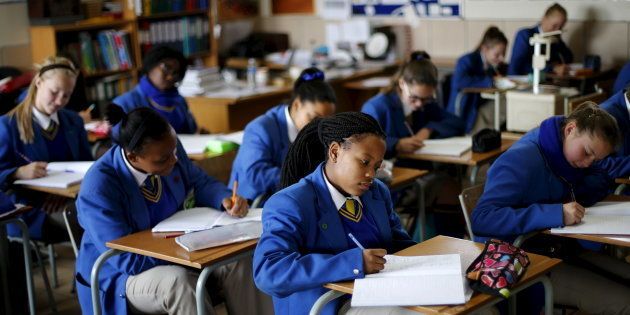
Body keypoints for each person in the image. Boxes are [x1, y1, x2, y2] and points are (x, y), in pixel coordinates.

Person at [75, 107, 272, 315]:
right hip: (122, 275)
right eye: (163, 159)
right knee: (179, 283)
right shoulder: (99, 187)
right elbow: (125, 260)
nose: (174, 161)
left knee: (239, 262)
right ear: (133, 157)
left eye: (175, 152)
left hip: (182, 250)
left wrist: (223, 199)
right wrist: (182, 251)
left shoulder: (169, 150)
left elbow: (199, 181)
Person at [472, 103, 630, 314]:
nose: (588, 163)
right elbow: (482, 218)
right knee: (625, 301)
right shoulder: (522, 159)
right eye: (587, 153)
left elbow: (596, 177)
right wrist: (555, 213)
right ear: (570, 129)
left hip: (559, 249)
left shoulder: (568, 155)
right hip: (523, 262)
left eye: (596, 159)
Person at [253, 112, 416, 314]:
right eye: (364, 162)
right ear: (335, 152)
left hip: (381, 293)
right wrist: (354, 263)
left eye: (377, 166)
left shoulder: (376, 192)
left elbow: (399, 244)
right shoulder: (291, 203)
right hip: (330, 305)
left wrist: (441, 262)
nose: (371, 175)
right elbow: (269, 273)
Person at [0, 56, 91, 241]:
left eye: (66, 95)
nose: (59, 101)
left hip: (70, 199)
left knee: (104, 213)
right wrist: (17, 173)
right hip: (32, 209)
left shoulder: (73, 121)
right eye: (54, 92)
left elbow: (89, 168)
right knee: (87, 221)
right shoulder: (8, 126)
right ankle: (89, 269)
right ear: (39, 83)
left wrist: (66, 195)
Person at [229, 67, 335, 203]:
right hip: (252, 204)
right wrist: (302, 178)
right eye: (314, 118)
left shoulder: (315, 131)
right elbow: (255, 174)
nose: (319, 127)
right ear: (297, 105)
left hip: (293, 198)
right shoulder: (260, 128)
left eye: (325, 122)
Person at [362, 51, 464, 158]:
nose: (419, 104)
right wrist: (397, 144)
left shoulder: (427, 104)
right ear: (402, 84)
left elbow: (459, 123)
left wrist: (429, 129)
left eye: (426, 98)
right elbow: (365, 143)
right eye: (414, 98)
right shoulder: (376, 107)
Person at [113, 46, 199, 134]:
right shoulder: (123, 104)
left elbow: (191, 132)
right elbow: (118, 142)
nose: (170, 77)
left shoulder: (180, 100)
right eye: (167, 68)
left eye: (175, 73)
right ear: (151, 64)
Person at [448, 26, 508, 133]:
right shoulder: (466, 60)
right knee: (505, 105)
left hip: (479, 107)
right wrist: (491, 81)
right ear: (484, 49)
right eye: (497, 54)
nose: (502, 58)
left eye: (503, 54)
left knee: (507, 101)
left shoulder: (491, 64)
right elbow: (459, 82)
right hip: (466, 110)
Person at [507, 3, 573, 76]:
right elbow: (518, 67)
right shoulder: (525, 35)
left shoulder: (555, 39)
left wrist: (559, 41)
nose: (557, 30)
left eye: (560, 27)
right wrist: (552, 68)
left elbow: (569, 58)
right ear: (544, 19)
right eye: (554, 26)